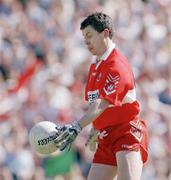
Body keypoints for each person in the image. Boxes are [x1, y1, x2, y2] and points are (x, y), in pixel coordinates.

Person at [54, 12, 148, 180]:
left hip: (126, 133)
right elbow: (96, 105)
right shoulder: (96, 65)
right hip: (106, 137)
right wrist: (95, 129)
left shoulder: (116, 65)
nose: (86, 41)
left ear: (105, 33)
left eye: (89, 35)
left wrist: (77, 126)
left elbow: (102, 102)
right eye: (84, 37)